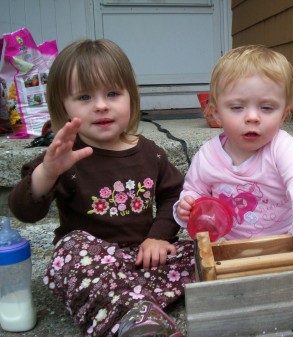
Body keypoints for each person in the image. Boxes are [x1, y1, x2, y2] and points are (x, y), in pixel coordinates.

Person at [8, 39, 195, 337]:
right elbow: (24, 211)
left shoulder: (152, 153)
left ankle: (126, 302)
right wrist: (47, 172)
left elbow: (175, 194)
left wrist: (158, 237)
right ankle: (136, 318)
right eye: (84, 96)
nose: (101, 105)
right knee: (70, 250)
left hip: (141, 258)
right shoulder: (62, 157)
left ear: (130, 97)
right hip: (89, 264)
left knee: (201, 253)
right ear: (63, 107)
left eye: (112, 93)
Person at [175, 45, 293, 250]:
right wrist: (187, 205)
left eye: (267, 108)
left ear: (283, 115)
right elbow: (194, 191)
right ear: (215, 113)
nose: (252, 117)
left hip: (286, 243)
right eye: (237, 107)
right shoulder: (207, 157)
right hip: (233, 248)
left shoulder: (282, 148)